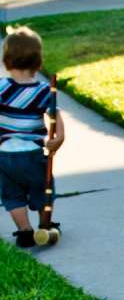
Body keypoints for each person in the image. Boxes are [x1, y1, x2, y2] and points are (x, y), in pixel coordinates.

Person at [1, 25, 64, 249]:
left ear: (6, 59)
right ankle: (44, 226)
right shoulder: (43, 91)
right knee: (42, 187)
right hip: (32, 154)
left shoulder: (1, 88)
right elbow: (56, 117)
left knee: (12, 194)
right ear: (38, 61)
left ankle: (25, 232)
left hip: (4, 155)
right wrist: (58, 139)